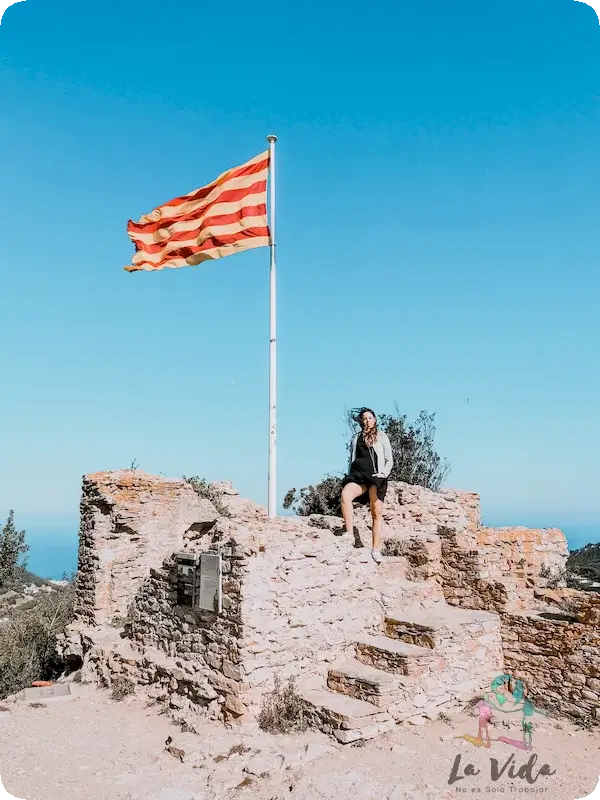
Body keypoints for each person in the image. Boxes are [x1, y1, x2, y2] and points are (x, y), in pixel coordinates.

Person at [339, 408, 393, 563]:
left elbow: (389, 459)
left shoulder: (382, 436)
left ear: (375, 420)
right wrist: (349, 474)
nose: (367, 420)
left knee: (376, 513)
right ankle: (349, 534)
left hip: (377, 477)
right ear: (361, 421)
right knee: (345, 495)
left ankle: (375, 549)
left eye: (370, 418)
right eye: (364, 418)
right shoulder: (356, 438)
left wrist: (383, 473)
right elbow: (352, 458)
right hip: (359, 476)